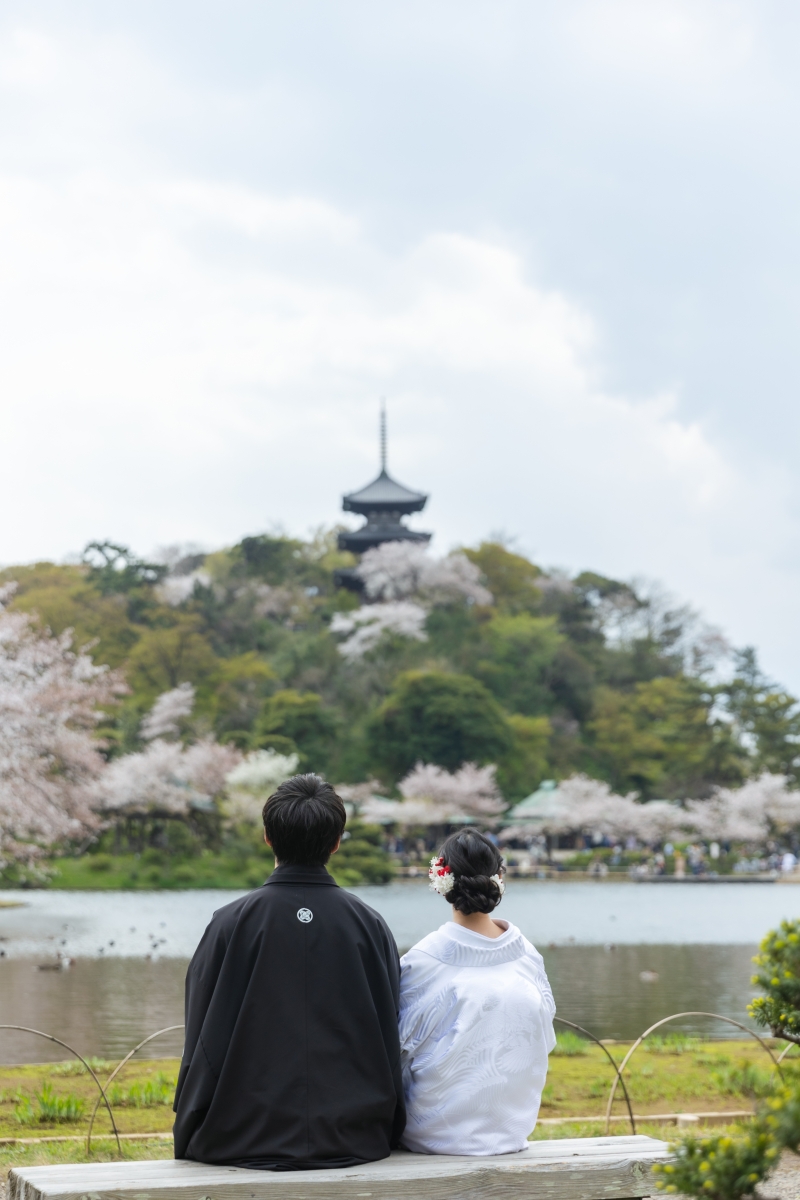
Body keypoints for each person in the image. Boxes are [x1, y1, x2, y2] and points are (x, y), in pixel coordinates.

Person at [173, 774, 406, 1170]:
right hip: (353, 1135)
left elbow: (200, 1038)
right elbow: (389, 1032)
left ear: (267, 837)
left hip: (238, 1135)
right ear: (336, 841)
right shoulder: (370, 925)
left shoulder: (230, 923)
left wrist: (192, 1118)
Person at [398, 829, 555, 1156]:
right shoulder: (527, 956)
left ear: (440, 878)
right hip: (510, 1133)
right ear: (498, 877)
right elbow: (546, 1040)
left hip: (431, 1139)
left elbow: (395, 1055)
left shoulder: (422, 962)